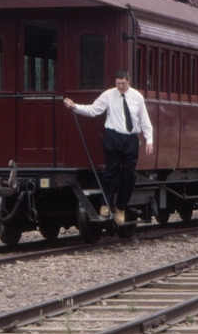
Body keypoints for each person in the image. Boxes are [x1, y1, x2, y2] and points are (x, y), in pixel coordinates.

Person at [64, 69, 153, 225]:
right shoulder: (108, 95)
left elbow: (144, 119)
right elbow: (93, 110)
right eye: (117, 83)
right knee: (109, 172)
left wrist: (149, 140)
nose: (120, 86)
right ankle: (106, 204)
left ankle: (121, 208)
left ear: (129, 81)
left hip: (131, 139)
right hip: (113, 137)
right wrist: (74, 106)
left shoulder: (137, 97)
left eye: (123, 83)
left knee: (129, 175)